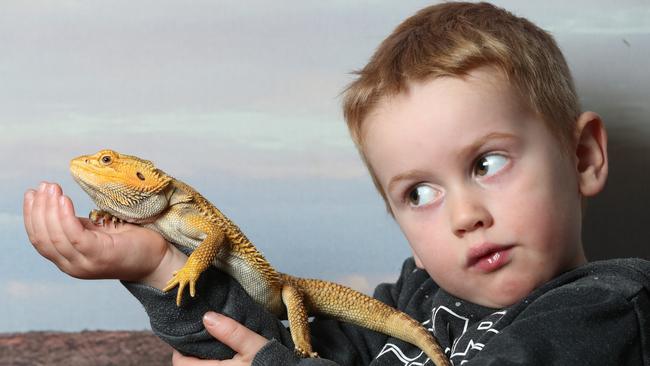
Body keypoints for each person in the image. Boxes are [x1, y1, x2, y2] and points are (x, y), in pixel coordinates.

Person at [23, 2, 649, 365]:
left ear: (584, 157)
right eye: (418, 193)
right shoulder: (414, 297)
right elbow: (258, 340)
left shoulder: (606, 310)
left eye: (486, 164)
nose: (465, 215)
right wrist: (157, 264)